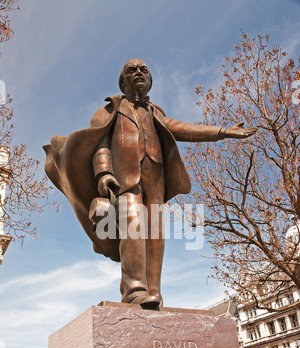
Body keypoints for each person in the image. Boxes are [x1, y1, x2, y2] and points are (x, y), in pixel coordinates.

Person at [44, 58, 257, 308]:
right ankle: (134, 288)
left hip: (155, 178)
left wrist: (223, 131)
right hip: (125, 179)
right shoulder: (109, 110)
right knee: (133, 224)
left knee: (155, 234)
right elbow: (99, 144)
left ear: (150, 80)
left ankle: (153, 291)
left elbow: (185, 129)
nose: (138, 73)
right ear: (123, 81)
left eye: (143, 70)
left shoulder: (156, 113)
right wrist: (103, 174)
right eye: (131, 70)